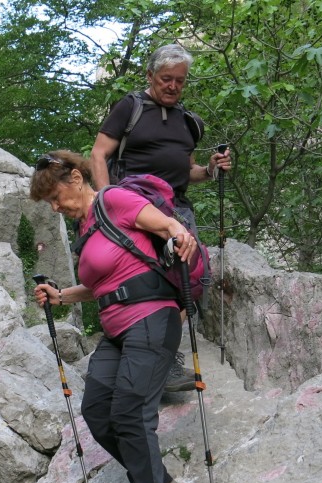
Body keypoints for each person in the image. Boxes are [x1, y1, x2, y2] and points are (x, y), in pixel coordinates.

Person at [30, 150, 195, 483]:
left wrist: (179, 234)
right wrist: (62, 295)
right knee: (97, 409)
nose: (54, 207)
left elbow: (168, 225)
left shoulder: (115, 200)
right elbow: (98, 283)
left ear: (75, 177)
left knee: (130, 414)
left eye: (54, 196)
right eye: (47, 203)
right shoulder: (87, 229)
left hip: (152, 318)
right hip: (117, 329)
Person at [91, 43, 232, 393]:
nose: (173, 86)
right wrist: (106, 206)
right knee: (146, 286)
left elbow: (189, 173)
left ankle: (159, 357)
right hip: (135, 209)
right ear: (150, 76)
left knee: (191, 284)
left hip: (177, 209)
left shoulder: (189, 122)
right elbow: (98, 154)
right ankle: (155, 361)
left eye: (179, 81)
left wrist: (211, 169)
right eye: (166, 79)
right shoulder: (130, 107)